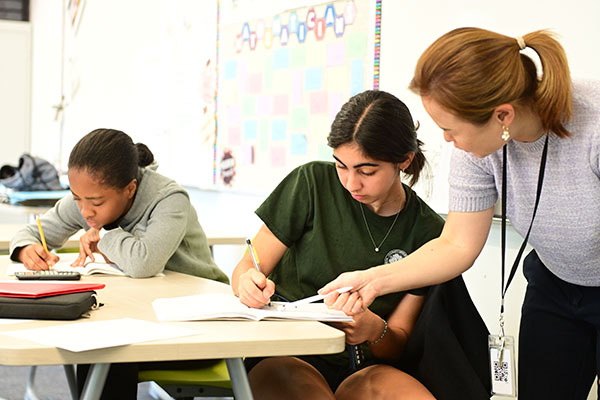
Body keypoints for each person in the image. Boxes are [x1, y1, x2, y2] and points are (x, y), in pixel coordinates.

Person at [320, 27, 600, 400]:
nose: (448, 142)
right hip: (556, 284)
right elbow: (456, 244)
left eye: (451, 130)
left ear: (503, 115)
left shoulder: (593, 126)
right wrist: (373, 280)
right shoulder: (478, 150)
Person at [232, 90, 444, 399]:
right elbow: (247, 268)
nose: (350, 183)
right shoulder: (311, 183)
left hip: (366, 365)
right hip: (288, 351)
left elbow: (397, 342)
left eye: (366, 171)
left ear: (404, 161)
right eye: (341, 166)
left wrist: (373, 329)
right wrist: (247, 284)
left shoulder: (430, 231)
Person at [10, 128, 228, 399]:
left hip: (201, 327)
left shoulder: (169, 200)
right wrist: (26, 249)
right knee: (96, 345)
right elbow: (33, 232)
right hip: (141, 318)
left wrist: (102, 235)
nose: (85, 211)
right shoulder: (88, 196)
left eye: (95, 202)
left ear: (130, 189)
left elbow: (143, 263)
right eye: (76, 198)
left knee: (107, 351)